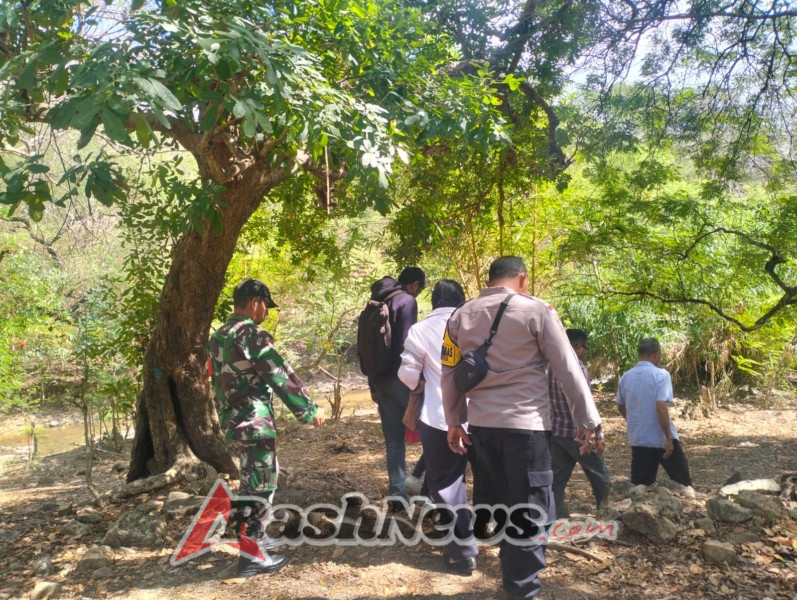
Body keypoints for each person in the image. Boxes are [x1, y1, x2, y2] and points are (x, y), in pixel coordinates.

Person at [442, 256, 602, 600]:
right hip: (526, 428)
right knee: (530, 511)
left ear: (490, 279)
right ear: (523, 279)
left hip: (482, 427)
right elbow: (568, 367)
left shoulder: (460, 315)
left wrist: (454, 421)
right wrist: (588, 422)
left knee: (501, 503)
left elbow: (450, 373)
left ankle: (514, 580)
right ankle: (521, 590)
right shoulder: (536, 311)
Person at [208, 278, 324, 577]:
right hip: (253, 419)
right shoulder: (250, 334)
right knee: (260, 485)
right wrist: (309, 410)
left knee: (254, 480)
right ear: (254, 303)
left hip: (234, 418)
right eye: (265, 307)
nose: (266, 313)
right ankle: (251, 556)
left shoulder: (219, 335)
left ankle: (253, 540)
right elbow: (279, 374)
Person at [398, 279, 478, 575]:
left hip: (438, 417)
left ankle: (462, 553)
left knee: (447, 484)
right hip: (482, 417)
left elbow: (407, 375)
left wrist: (423, 383)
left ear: (432, 302)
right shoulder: (474, 325)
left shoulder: (418, 330)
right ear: (461, 300)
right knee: (490, 477)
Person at [366, 266, 426, 508]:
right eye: (419, 290)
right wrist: (418, 382)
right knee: (435, 435)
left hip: (380, 380)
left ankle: (398, 497)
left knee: (393, 441)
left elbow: (368, 348)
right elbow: (406, 344)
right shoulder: (406, 301)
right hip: (402, 381)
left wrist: (372, 383)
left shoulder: (375, 303)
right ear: (414, 285)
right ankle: (428, 489)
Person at [548, 329, 610, 519]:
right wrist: (598, 433)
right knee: (600, 476)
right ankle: (607, 512)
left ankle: (555, 515)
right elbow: (586, 404)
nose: (585, 352)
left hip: (557, 432)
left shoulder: (549, 367)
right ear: (578, 347)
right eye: (585, 347)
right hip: (580, 435)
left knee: (557, 479)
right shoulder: (579, 369)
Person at [616, 337, 692, 487]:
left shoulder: (626, 377)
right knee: (683, 483)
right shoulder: (661, 375)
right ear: (656, 354)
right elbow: (661, 406)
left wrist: (633, 420)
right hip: (660, 438)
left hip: (639, 438)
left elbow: (620, 405)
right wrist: (668, 437)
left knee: (640, 487)